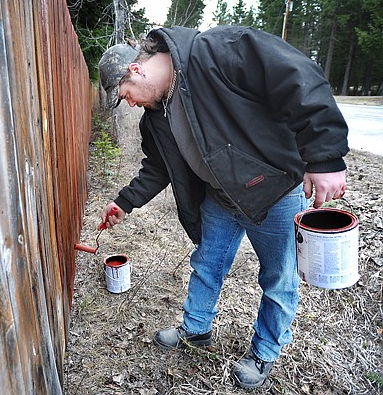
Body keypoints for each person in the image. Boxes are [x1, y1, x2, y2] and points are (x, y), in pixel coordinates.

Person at [97, 25, 348, 389]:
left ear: (136, 70)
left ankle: (264, 352)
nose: (131, 103)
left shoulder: (214, 52)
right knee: (206, 264)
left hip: (274, 191)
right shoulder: (156, 114)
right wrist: (124, 202)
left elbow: (297, 76)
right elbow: (156, 167)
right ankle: (196, 329)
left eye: (126, 95)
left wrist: (324, 157)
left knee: (278, 279)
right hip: (221, 197)